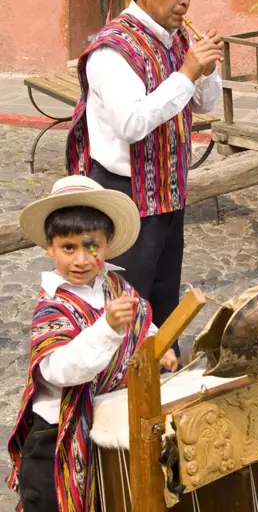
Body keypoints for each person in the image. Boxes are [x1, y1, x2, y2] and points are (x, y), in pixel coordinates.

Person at [66, 0, 223, 358]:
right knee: (125, 297)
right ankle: (119, 386)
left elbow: (208, 105)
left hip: (169, 188)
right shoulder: (111, 51)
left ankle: (162, 380)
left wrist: (205, 69)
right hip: (124, 194)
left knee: (164, 291)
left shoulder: (175, 41)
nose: (186, 0)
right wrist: (187, 73)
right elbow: (133, 123)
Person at [7, 175, 178, 512]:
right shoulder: (52, 306)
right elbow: (60, 370)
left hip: (106, 421)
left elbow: (142, 321)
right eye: (68, 248)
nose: (81, 260)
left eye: (91, 247)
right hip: (56, 435)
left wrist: (161, 346)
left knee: (108, 500)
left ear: (107, 245)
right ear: (50, 248)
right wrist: (107, 328)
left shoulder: (115, 284)